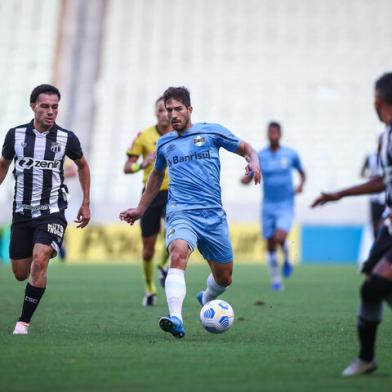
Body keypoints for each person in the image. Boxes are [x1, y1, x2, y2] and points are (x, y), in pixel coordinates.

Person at [120, 86, 260, 338]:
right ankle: (176, 318)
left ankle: (205, 297)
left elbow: (247, 148)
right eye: (167, 109)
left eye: (178, 109)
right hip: (181, 212)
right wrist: (141, 208)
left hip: (213, 216)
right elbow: (156, 176)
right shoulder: (165, 143)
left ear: (189, 109)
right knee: (178, 251)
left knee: (225, 277)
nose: (172, 114)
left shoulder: (211, 132)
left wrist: (254, 161)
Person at [311, 72, 392, 376]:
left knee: (378, 281)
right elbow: (383, 180)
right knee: (371, 287)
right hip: (389, 224)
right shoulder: (385, 137)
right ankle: (367, 359)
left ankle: (365, 357)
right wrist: (339, 194)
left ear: (378, 100)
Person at [0, 84, 91, 335]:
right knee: (21, 273)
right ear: (33, 107)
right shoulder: (15, 136)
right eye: (45, 106)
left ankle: (23, 322)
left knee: (40, 260)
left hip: (52, 211)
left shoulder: (66, 138)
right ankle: (34, 276)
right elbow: (3, 165)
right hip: (21, 213)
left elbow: (83, 166)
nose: (51, 112)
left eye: (55, 107)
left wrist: (85, 202)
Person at [241, 122, 305, 291]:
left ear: (280, 134)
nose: (274, 135)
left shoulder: (290, 154)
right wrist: (246, 179)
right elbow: (251, 175)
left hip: (285, 204)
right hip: (268, 206)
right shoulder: (261, 155)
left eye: (276, 132)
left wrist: (301, 185)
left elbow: (302, 172)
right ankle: (276, 279)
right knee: (270, 244)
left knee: (279, 237)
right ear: (268, 134)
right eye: (271, 132)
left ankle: (287, 257)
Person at [123, 97, 171, 306]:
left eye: (166, 110)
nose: (163, 114)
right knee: (148, 247)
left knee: (175, 234)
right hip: (150, 194)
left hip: (174, 192)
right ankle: (150, 288)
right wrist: (142, 165)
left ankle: (163, 265)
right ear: (155, 113)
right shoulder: (144, 136)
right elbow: (127, 167)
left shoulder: (180, 135)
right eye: (160, 110)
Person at [360, 137, 385, 238]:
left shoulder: (389, 157)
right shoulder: (371, 156)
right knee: (374, 224)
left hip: (386, 197)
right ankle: (376, 243)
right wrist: (371, 177)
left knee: (385, 224)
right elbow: (362, 173)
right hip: (374, 196)